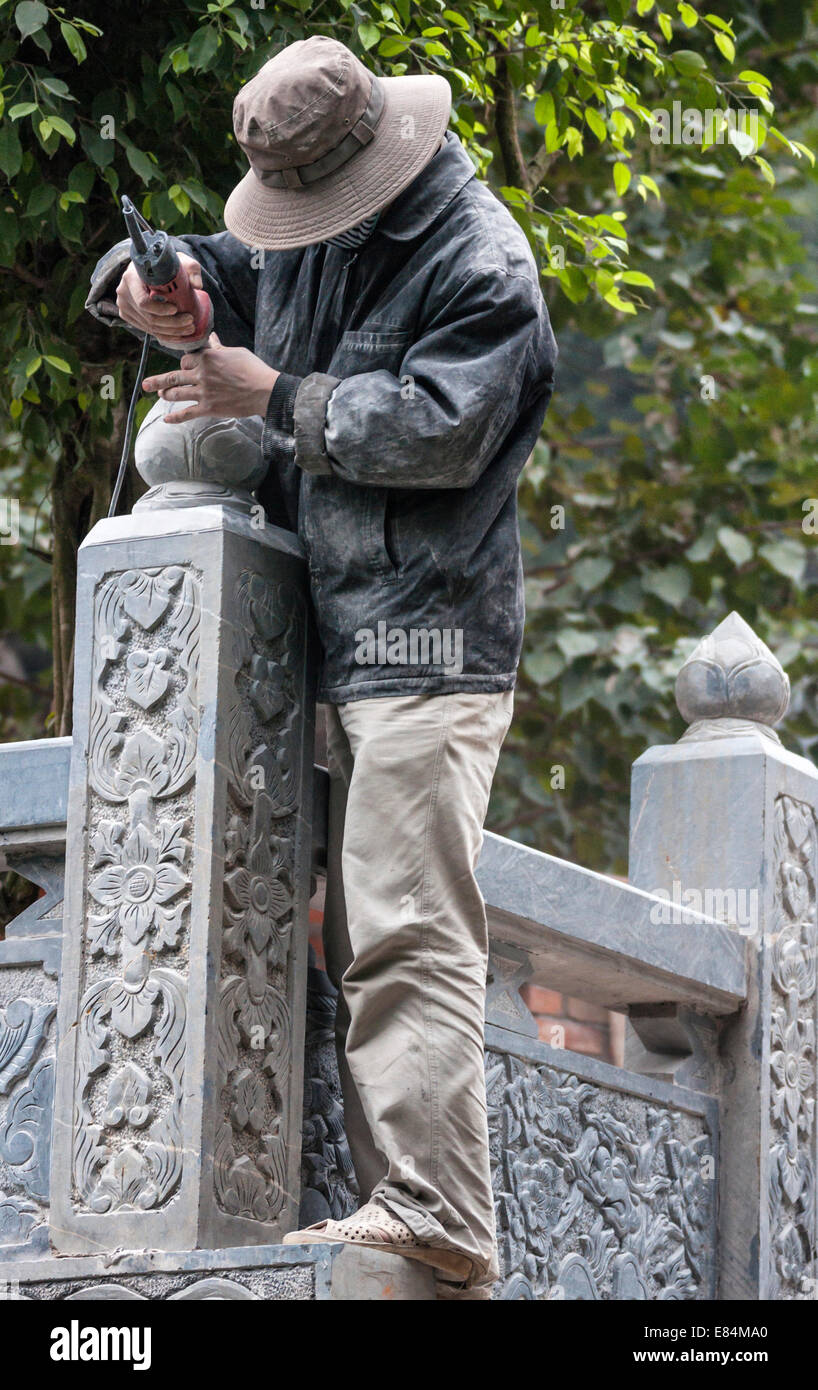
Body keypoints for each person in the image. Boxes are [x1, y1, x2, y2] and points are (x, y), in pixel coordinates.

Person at [87, 33, 557, 1295]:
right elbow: (224, 267)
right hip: (324, 647)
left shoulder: (479, 256)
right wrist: (157, 291)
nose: (288, 228)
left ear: (372, 161)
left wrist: (275, 396)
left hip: (428, 641)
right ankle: (406, 1208)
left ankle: (435, 1204)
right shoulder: (319, 230)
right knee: (346, 927)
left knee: (405, 926)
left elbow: (445, 430)